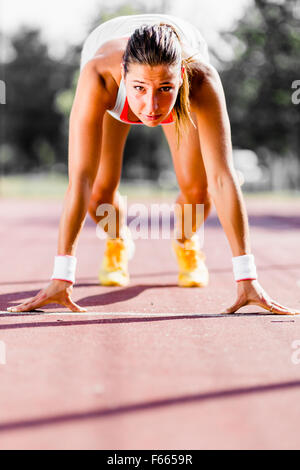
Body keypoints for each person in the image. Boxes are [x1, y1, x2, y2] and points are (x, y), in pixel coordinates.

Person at [7, 14, 299, 315]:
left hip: (177, 82)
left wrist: (247, 276)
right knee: (98, 191)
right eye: (139, 89)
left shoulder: (201, 79)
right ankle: (117, 238)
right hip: (111, 79)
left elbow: (223, 178)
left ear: (181, 76)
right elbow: (79, 178)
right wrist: (62, 275)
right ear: (123, 73)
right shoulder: (99, 75)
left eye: (164, 89)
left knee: (198, 191)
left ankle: (186, 240)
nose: (151, 107)